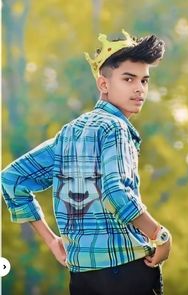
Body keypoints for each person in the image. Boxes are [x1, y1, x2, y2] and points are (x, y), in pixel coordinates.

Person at [1, 29, 172, 295]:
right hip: (127, 269)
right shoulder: (116, 128)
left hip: (82, 276)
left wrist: (52, 241)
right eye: (129, 79)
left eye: (144, 80)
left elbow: (12, 179)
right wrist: (160, 235)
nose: (139, 88)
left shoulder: (68, 132)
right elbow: (117, 193)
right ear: (104, 84)